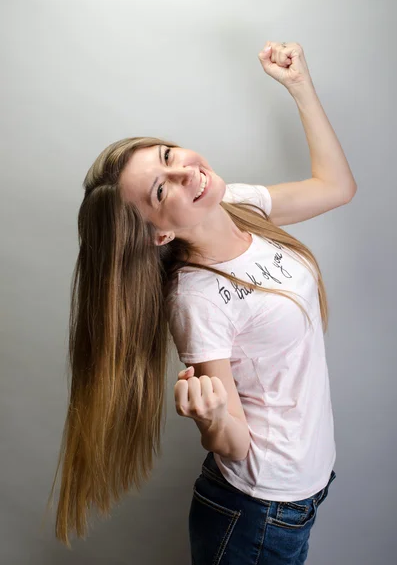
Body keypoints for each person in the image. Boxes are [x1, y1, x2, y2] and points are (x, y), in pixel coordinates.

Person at [46, 42, 357, 562]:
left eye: (168, 157)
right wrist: (210, 417)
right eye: (161, 192)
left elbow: (336, 187)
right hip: (260, 510)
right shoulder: (197, 298)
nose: (185, 173)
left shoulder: (236, 201)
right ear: (158, 236)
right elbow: (233, 444)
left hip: (304, 487)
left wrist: (298, 86)